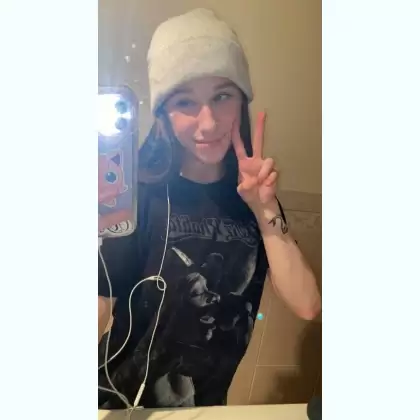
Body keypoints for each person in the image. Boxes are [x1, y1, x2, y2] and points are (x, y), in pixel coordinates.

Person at [98, 8, 321, 409]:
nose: (208, 123)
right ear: (163, 115)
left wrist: (264, 208)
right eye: (185, 101)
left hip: (205, 408)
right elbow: (99, 307)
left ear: (241, 101)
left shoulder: (254, 197)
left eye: (222, 96)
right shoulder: (139, 195)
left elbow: (307, 304)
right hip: (117, 403)